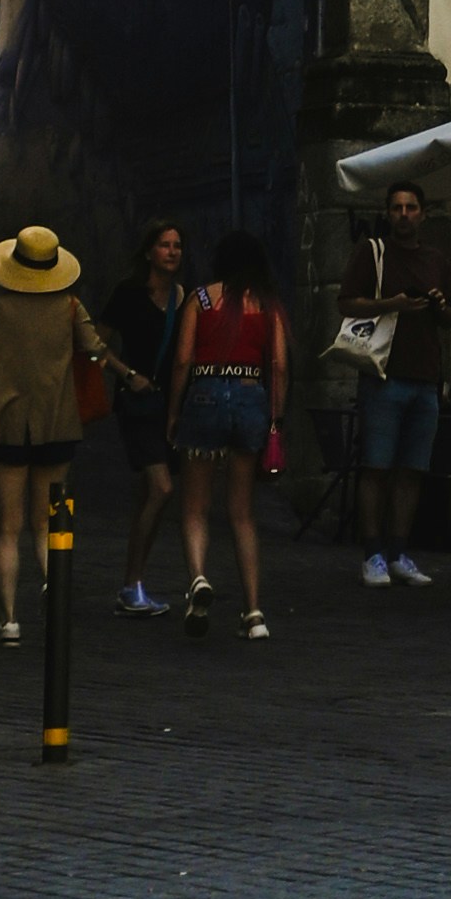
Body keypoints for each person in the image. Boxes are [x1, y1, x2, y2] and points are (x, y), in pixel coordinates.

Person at [0, 220, 114, 644]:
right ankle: (54, 587)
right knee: (48, 523)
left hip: (7, 427)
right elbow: (94, 351)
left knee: (7, 528)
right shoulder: (69, 305)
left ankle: (9, 619)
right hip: (57, 424)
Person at [163, 233, 288, 642]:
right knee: (242, 513)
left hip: (203, 393)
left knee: (195, 507)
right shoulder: (267, 305)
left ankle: (198, 578)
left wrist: (175, 411)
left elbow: (183, 359)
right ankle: (254, 613)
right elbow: (280, 366)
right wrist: (275, 417)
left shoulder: (199, 299)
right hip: (251, 396)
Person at [339, 173, 451, 590]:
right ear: (387, 213)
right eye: (397, 208)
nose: (404, 214)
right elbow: (346, 303)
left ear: (422, 214)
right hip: (383, 374)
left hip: (425, 377)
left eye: (411, 208)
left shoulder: (436, 260)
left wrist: (439, 304)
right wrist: (392, 304)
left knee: (412, 470)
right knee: (375, 466)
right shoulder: (371, 252)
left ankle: (398, 552)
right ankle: (371, 553)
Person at [102, 216, 188, 614]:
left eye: (177, 246)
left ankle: (133, 582)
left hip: (169, 407)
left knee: (150, 497)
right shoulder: (128, 294)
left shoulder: (182, 297)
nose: (172, 252)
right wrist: (127, 375)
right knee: (162, 488)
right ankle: (132, 584)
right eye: (165, 245)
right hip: (137, 404)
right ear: (149, 252)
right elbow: (95, 346)